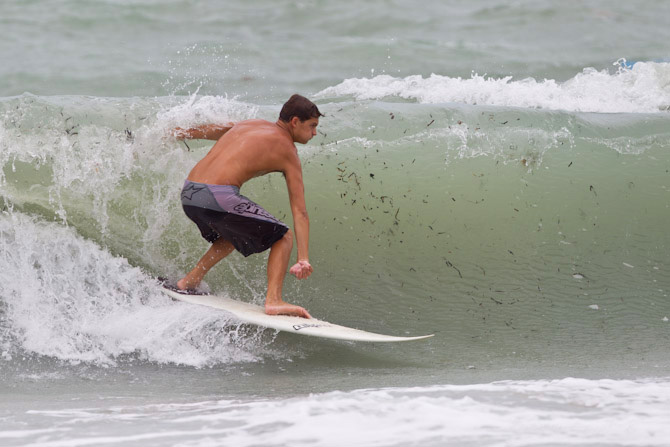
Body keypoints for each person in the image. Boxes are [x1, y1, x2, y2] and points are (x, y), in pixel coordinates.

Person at [172, 94, 322, 319]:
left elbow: (214, 130)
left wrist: (178, 132)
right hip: (216, 197)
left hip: (190, 193)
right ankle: (274, 301)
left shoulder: (251, 124)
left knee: (230, 237)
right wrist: (303, 259)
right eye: (312, 126)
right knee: (284, 237)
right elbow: (300, 211)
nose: (315, 133)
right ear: (294, 122)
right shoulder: (287, 151)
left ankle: (190, 281)